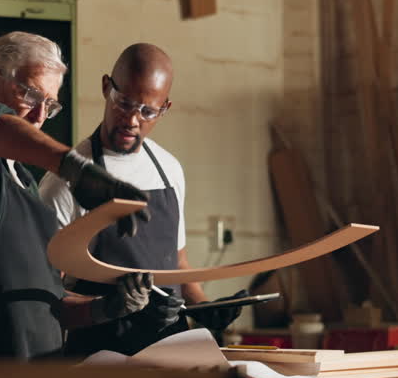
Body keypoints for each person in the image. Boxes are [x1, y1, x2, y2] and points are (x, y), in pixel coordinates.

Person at [0, 32, 171, 360]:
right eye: (32, 96)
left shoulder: (28, 192)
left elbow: (52, 304)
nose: (39, 117)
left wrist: (110, 307)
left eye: (50, 105)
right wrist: (79, 171)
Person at [39, 43, 246, 356]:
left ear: (165, 108)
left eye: (148, 111)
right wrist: (111, 308)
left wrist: (204, 308)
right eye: (124, 103)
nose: (133, 120)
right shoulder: (66, 182)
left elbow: (177, 264)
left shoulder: (169, 170)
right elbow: (48, 299)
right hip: (101, 360)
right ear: (107, 88)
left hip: (172, 352)